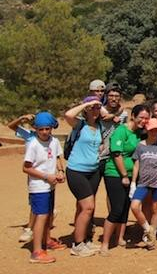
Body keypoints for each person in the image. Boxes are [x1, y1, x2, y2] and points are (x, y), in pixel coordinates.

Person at [99, 105, 149, 255]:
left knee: (126, 207)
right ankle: (105, 244)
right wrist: (124, 175)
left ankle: (119, 238)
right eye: (141, 117)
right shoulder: (121, 130)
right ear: (133, 116)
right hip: (115, 174)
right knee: (116, 209)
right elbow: (116, 154)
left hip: (131, 175)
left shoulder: (138, 133)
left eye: (146, 118)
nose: (144, 121)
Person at [64, 96, 106, 257]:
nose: (96, 110)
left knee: (82, 207)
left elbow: (106, 114)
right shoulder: (80, 124)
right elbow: (68, 115)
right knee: (88, 207)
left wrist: (98, 105)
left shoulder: (99, 126)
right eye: (92, 108)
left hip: (93, 171)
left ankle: (84, 239)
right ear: (86, 109)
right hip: (77, 170)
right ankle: (78, 245)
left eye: (97, 107)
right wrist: (87, 104)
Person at [21, 112, 66, 263]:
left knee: (48, 215)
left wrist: (60, 171)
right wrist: (46, 176)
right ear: (36, 129)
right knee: (41, 216)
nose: (45, 132)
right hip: (38, 186)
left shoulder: (54, 141)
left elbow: (58, 157)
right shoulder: (33, 144)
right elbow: (26, 168)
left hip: (50, 185)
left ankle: (47, 240)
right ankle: (37, 251)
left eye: (47, 128)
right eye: (41, 129)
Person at [129, 117, 157, 250]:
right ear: (147, 130)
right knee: (135, 206)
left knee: (155, 209)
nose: (154, 132)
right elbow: (136, 165)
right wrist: (133, 182)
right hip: (143, 182)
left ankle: (152, 237)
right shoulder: (140, 146)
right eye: (152, 130)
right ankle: (148, 229)